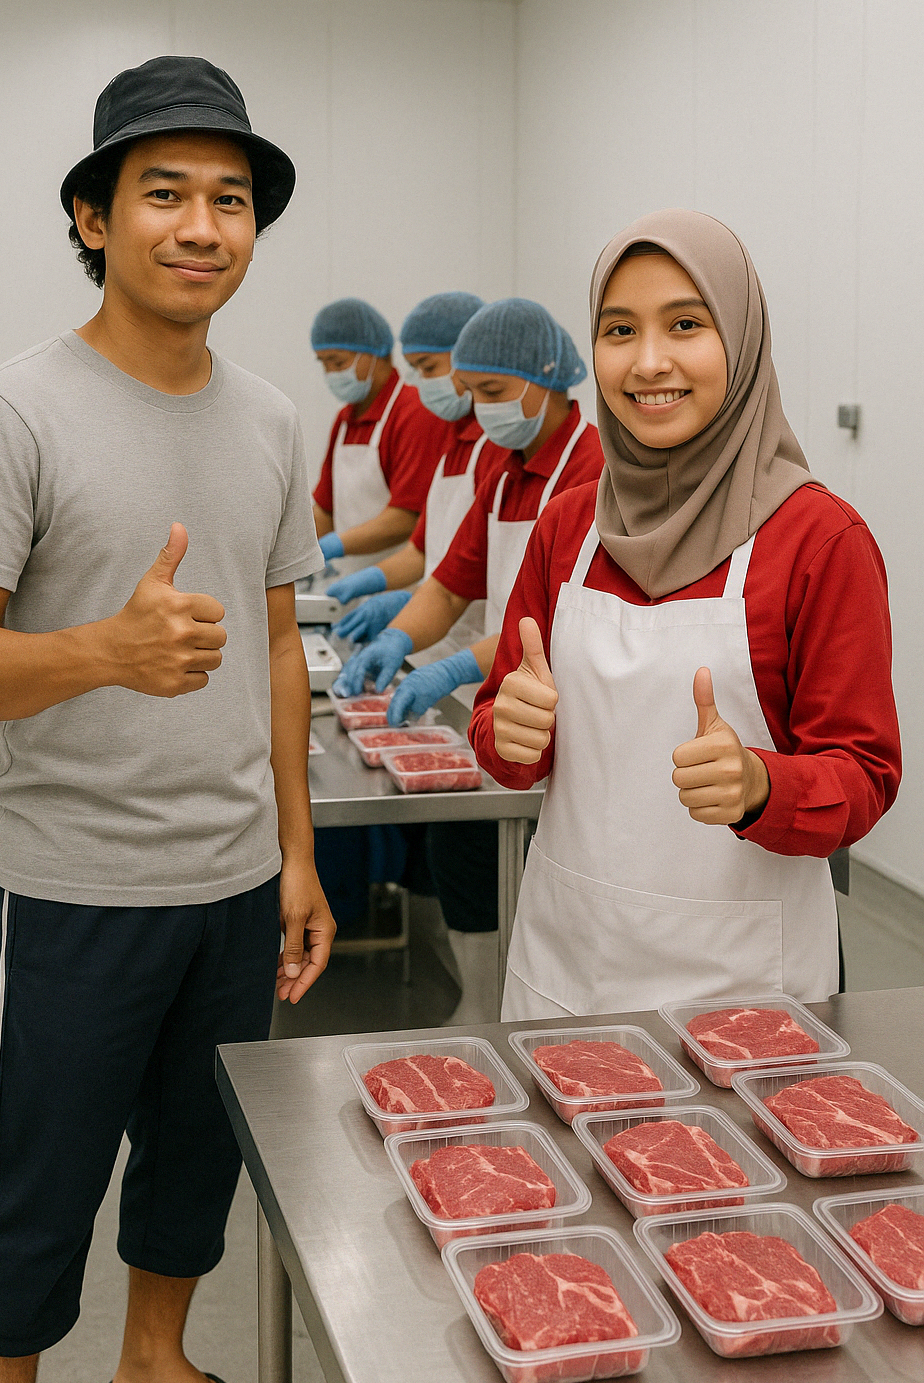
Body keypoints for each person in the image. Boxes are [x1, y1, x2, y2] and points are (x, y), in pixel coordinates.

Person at [0, 56, 335, 1383]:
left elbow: (278, 645)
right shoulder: (11, 411)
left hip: (228, 885)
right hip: (70, 891)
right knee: (38, 1181)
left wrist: (298, 852)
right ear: (94, 217)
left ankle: (154, 1370)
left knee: (192, 1160)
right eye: (165, 194)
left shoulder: (271, 417)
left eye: (230, 199)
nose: (203, 226)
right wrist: (104, 651)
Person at [470, 209, 901, 1021]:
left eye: (686, 324)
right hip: (567, 968)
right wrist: (508, 732)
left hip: (738, 993)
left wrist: (760, 784)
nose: (649, 361)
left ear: (740, 340)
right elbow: (504, 738)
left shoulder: (818, 539)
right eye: (619, 329)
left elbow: (865, 776)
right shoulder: (569, 528)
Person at [333, 298, 604, 1022]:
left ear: (544, 376)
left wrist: (451, 668)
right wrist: (401, 637)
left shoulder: (590, 465)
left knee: (533, 867)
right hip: (500, 694)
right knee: (467, 851)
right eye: (474, 392)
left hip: (564, 705)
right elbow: (453, 579)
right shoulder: (507, 465)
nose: (480, 411)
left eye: (491, 393)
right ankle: (483, 1002)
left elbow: (542, 623)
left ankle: (516, 1009)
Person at [328, 290, 505, 647]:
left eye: (428, 367)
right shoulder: (454, 438)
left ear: (468, 356)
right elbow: (421, 550)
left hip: (477, 643)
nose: (421, 381)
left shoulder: (498, 447)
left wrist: (410, 598)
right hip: (432, 635)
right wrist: (372, 582)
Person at [310, 298, 441, 575]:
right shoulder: (346, 418)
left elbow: (405, 518)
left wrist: (332, 546)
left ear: (376, 352)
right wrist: (290, 547)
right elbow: (325, 510)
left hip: (398, 581)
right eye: (324, 364)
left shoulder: (413, 411)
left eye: (338, 362)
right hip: (348, 581)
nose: (331, 374)